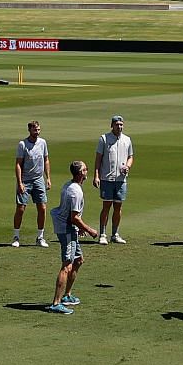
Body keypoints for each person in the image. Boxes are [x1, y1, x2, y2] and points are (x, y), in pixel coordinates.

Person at [45, 160, 100, 314]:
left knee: (78, 260)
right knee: (67, 265)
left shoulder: (69, 185)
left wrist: (78, 227)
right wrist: (89, 230)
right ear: (80, 173)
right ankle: (56, 303)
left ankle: (67, 295)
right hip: (67, 230)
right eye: (85, 169)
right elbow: (74, 217)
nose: (87, 171)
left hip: (70, 228)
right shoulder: (75, 191)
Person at [94, 115, 133, 243]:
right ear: (112, 125)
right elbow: (98, 159)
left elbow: (130, 156)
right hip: (107, 178)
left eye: (121, 124)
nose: (119, 127)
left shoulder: (127, 140)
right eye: (117, 124)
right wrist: (96, 176)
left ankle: (115, 234)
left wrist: (128, 166)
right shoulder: (104, 139)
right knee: (106, 206)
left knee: (118, 207)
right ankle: (103, 234)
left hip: (121, 179)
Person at [12, 120, 50, 247]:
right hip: (25, 179)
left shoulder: (42, 143)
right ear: (29, 130)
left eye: (38, 130)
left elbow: (46, 160)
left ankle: (40, 237)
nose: (37, 132)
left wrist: (48, 178)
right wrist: (20, 182)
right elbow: (18, 164)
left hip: (38, 178)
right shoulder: (23, 144)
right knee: (21, 207)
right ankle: (16, 236)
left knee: (42, 207)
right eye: (35, 130)